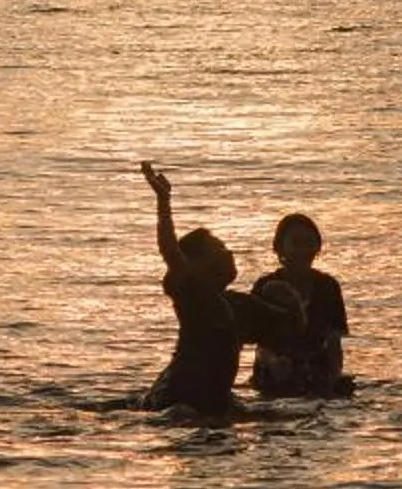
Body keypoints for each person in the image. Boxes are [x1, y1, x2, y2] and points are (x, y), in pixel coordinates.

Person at [140, 161, 244, 413]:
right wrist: (163, 202)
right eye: (217, 248)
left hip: (211, 396)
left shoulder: (236, 303)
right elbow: (170, 251)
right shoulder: (193, 293)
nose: (227, 252)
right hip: (178, 395)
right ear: (194, 264)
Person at [249, 211, 352, 398]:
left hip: (316, 368)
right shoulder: (264, 287)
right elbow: (260, 344)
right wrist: (274, 363)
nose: (303, 250)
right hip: (274, 370)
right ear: (280, 248)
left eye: (309, 243)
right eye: (296, 243)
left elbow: (334, 341)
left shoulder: (328, 286)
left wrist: (333, 377)